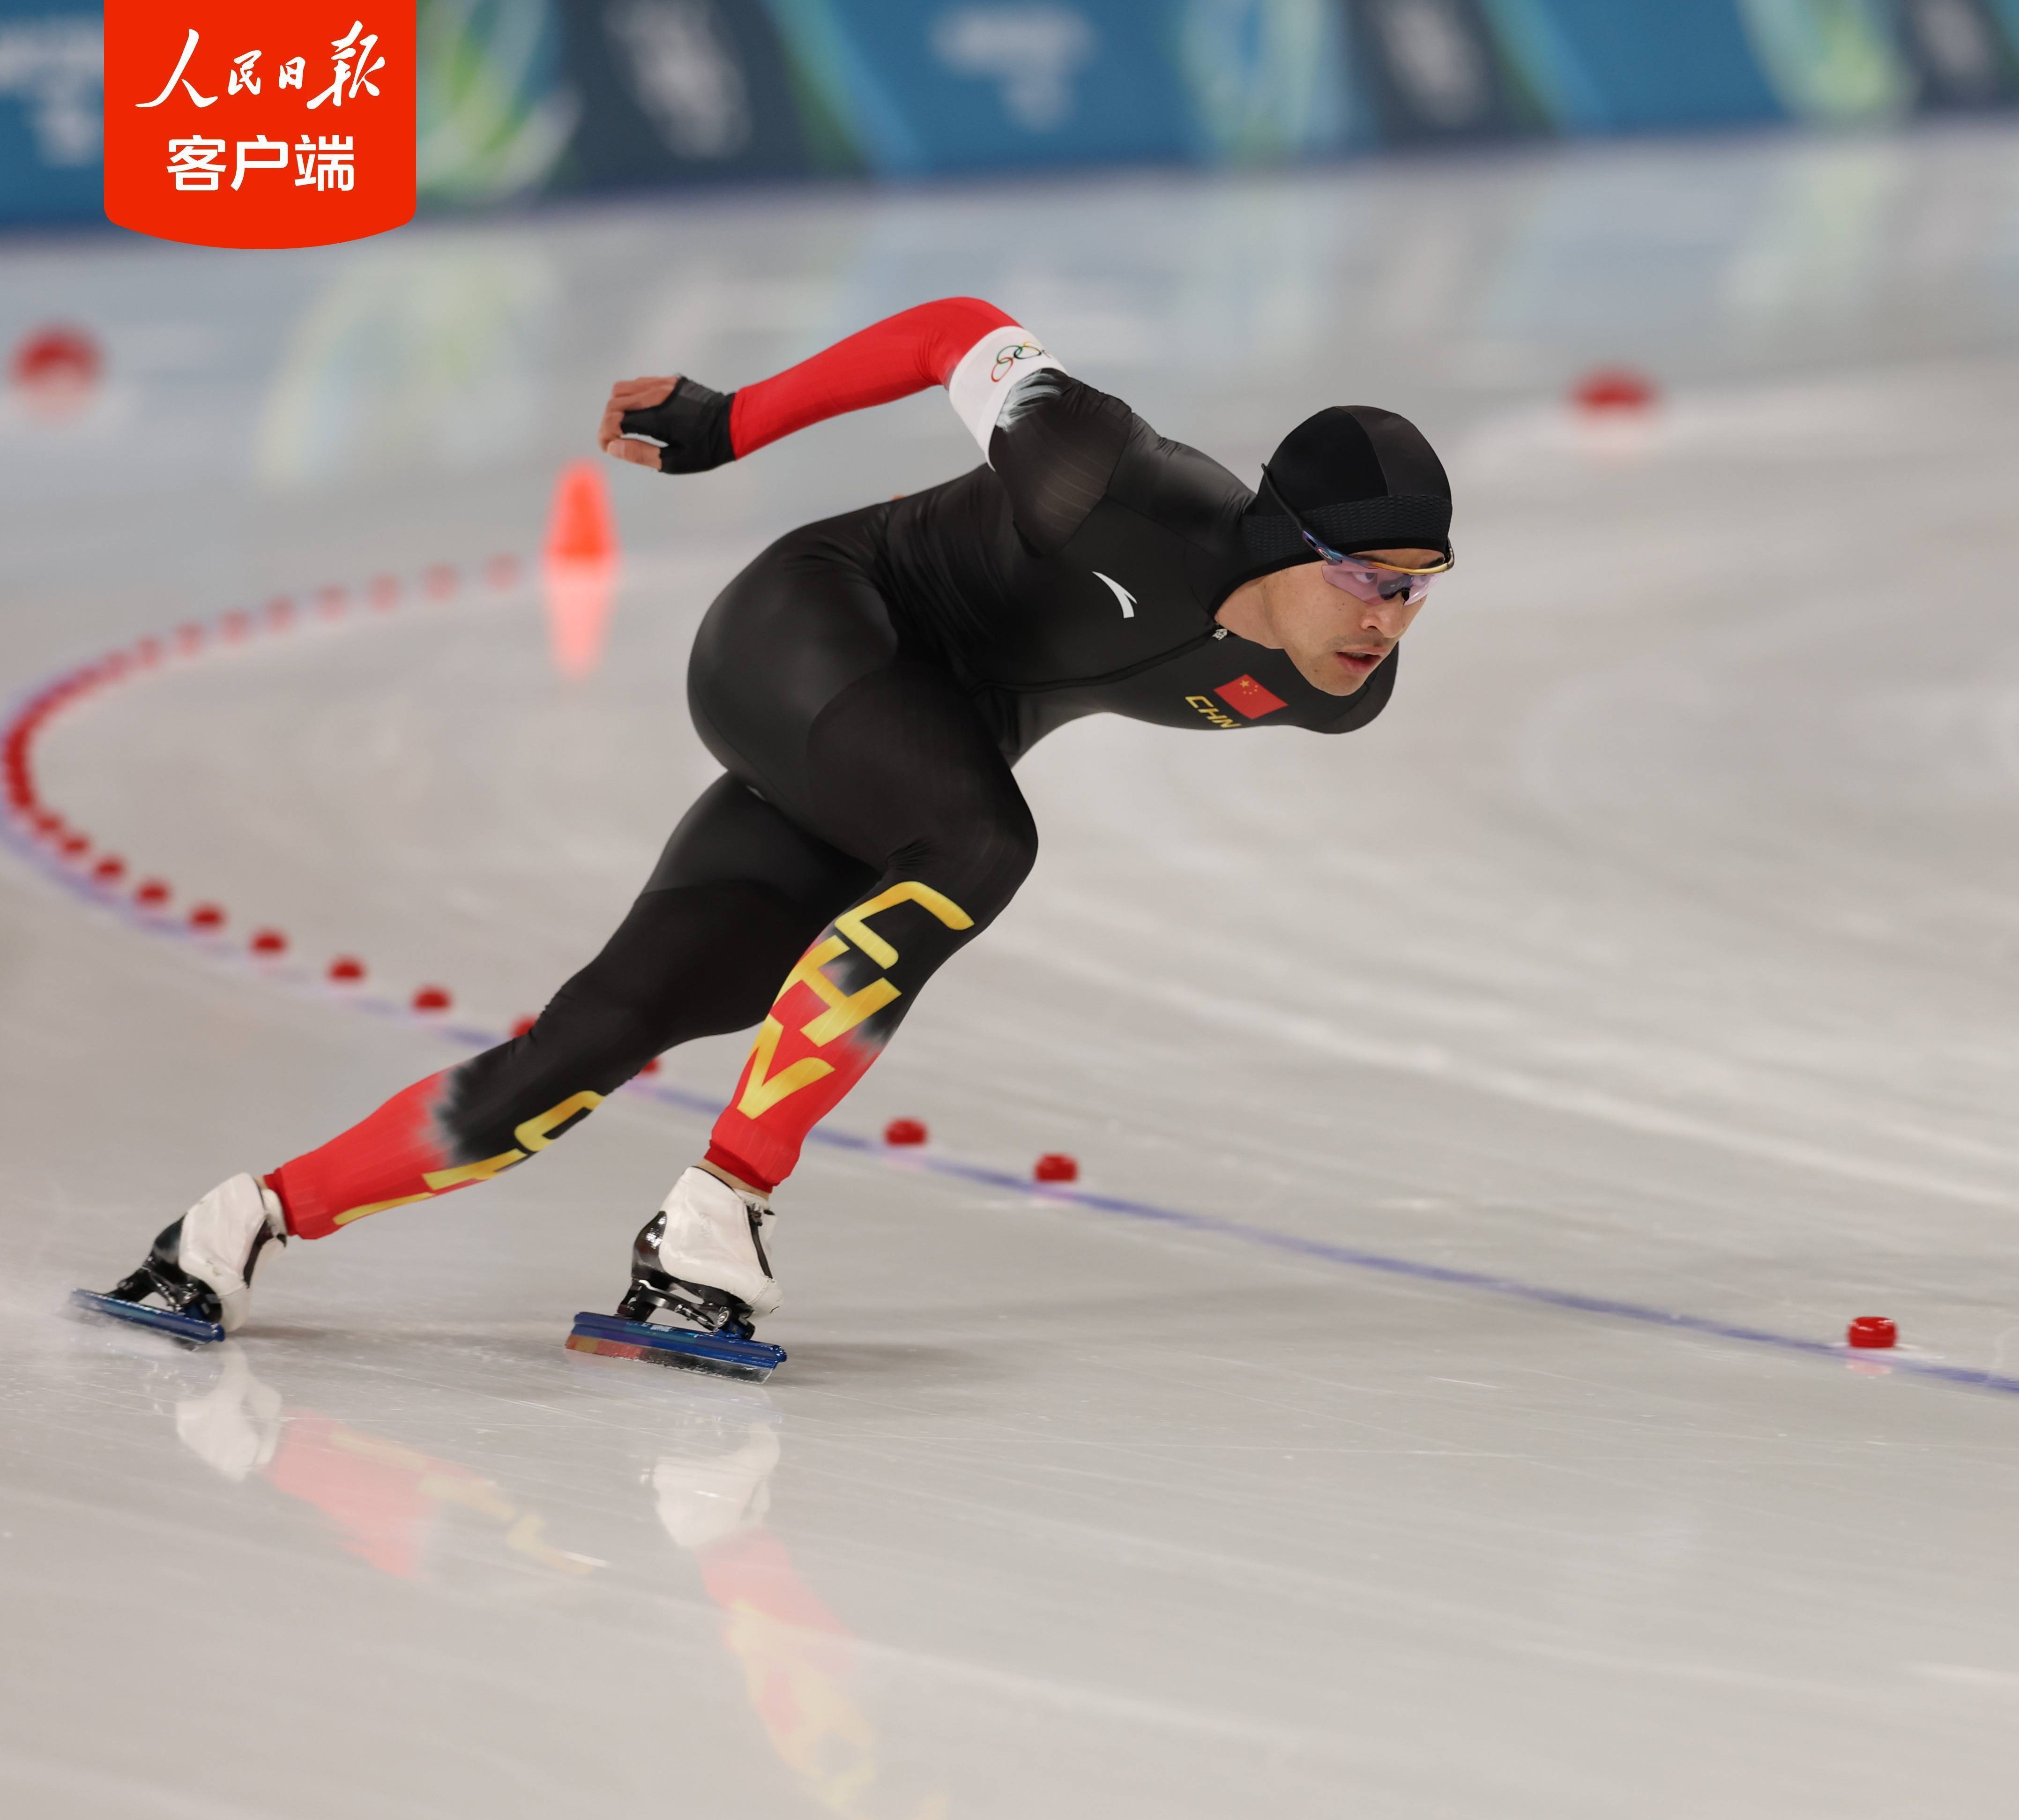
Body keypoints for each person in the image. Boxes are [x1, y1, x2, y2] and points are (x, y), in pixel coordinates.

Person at [81, 296, 1453, 1361]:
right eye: (1366, 578)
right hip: (809, 632)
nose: (1388, 621)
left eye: (1421, 588)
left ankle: (233, 1228)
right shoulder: (1106, 478)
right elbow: (953, 332)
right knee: (983, 846)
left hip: (909, 755)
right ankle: (720, 1210)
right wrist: (732, 421)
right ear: (1281, 537)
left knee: (609, 1029)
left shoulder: (1337, 690)